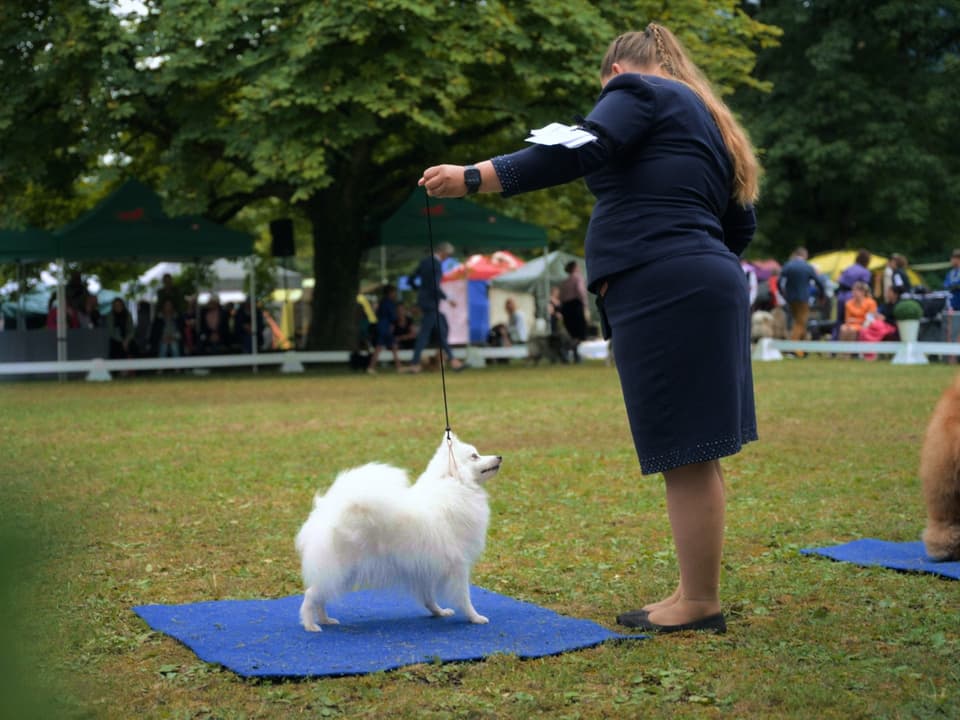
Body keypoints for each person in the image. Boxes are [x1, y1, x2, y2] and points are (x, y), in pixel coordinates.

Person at [419, 22, 759, 634]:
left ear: (618, 73)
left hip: (663, 284)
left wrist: (474, 175)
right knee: (696, 450)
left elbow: (579, 149)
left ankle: (700, 602)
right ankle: (695, 590)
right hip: (702, 278)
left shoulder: (639, 93)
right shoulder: (708, 120)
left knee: (684, 450)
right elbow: (742, 226)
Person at [403, 242, 463, 373]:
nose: (447, 257)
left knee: (441, 331)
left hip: (425, 301)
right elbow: (435, 287)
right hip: (431, 304)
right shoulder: (436, 265)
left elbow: (410, 280)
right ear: (443, 252)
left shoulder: (424, 262)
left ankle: (454, 361)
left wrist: (420, 291)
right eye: (448, 255)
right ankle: (415, 363)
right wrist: (448, 299)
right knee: (425, 335)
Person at [778, 247, 824, 354]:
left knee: (798, 322)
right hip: (803, 298)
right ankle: (793, 349)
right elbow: (819, 282)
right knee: (800, 322)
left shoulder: (788, 265)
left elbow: (779, 281)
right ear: (805, 255)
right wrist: (822, 295)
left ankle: (801, 350)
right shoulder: (807, 266)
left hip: (790, 298)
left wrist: (782, 293)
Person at [368, 284, 403, 373]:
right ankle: (398, 367)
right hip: (386, 327)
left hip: (381, 326)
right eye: (394, 292)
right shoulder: (389, 303)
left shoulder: (382, 302)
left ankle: (372, 367)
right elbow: (392, 316)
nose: (395, 294)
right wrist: (395, 322)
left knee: (387, 347)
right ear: (390, 293)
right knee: (385, 347)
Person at [835, 250, 872, 332]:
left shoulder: (848, 268)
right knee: (851, 320)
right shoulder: (865, 272)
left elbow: (839, 281)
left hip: (841, 296)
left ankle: (835, 339)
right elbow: (864, 287)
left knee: (839, 320)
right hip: (853, 296)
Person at [837, 281, 878, 353]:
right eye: (853, 290)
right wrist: (850, 323)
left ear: (863, 292)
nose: (854, 292)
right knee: (843, 328)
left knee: (851, 330)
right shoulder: (848, 303)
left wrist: (856, 320)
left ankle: (850, 353)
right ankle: (843, 352)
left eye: (856, 290)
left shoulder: (871, 302)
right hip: (852, 324)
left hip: (865, 325)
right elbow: (848, 319)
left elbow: (869, 320)